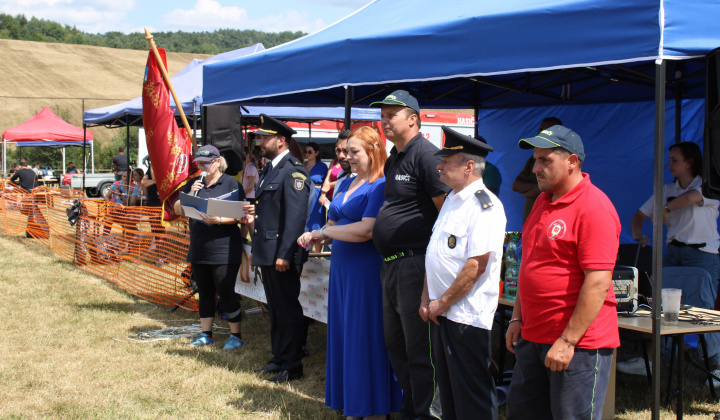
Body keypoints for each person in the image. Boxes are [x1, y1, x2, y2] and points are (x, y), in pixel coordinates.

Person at [505, 125, 621, 420]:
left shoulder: (594, 207)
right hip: (534, 337)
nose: (536, 168)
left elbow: (598, 282)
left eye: (545, 161)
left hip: (577, 344)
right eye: (535, 160)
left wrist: (568, 341)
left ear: (572, 161)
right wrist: (518, 317)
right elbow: (530, 265)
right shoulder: (543, 201)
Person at [298, 126, 402, 420]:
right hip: (342, 271)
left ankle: (373, 408)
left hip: (366, 273)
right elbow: (332, 226)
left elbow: (366, 230)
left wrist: (325, 231)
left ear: (373, 150)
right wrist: (318, 234)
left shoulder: (380, 186)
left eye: (353, 151)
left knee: (364, 337)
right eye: (343, 151)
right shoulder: (344, 184)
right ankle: (353, 404)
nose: (346, 157)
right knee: (346, 336)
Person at [370, 90, 448, 419]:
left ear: (413, 119)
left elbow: (447, 217)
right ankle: (411, 408)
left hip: (415, 263)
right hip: (391, 265)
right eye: (382, 115)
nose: (384, 121)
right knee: (396, 345)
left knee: (419, 349)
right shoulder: (394, 158)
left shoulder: (427, 156)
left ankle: (427, 413)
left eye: (392, 115)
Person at [421, 127, 506, 420]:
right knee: (450, 394)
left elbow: (475, 266)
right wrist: (427, 299)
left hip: (465, 316)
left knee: (473, 396)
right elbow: (435, 255)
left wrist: (441, 303)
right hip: (442, 312)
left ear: (469, 166)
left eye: (447, 160)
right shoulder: (452, 200)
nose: (439, 165)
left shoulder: (485, 206)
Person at [619, 141, 720, 381]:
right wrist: (636, 232)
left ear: (689, 162)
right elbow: (640, 214)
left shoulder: (707, 186)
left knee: (705, 309)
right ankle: (651, 361)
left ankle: (715, 366)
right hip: (673, 253)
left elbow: (692, 198)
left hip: (703, 255)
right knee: (659, 304)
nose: (670, 164)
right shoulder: (666, 189)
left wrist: (666, 210)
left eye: (675, 160)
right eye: (670, 159)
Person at [251, 114, 311, 383]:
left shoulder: (293, 170)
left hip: (281, 253)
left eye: (265, 137)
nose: (260, 142)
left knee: (287, 309)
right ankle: (279, 356)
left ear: (281, 140)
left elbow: (296, 216)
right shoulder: (269, 169)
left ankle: (292, 363)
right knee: (275, 307)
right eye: (260, 137)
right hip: (268, 250)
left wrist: (286, 253)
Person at [173, 145, 249, 350]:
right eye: (199, 163)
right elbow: (177, 209)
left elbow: (240, 215)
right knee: (204, 291)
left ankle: (236, 336)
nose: (202, 167)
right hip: (199, 246)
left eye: (206, 163)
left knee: (225, 290)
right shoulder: (194, 183)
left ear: (217, 162)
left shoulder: (231, 183)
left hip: (224, 246)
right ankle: (206, 334)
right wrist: (190, 193)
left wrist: (219, 220)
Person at [512, 117, 563, 223]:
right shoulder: (532, 159)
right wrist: (542, 189)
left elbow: (558, 189)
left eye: (545, 160)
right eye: (541, 131)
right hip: (530, 221)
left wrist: (534, 190)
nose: (536, 169)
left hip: (549, 223)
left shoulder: (563, 158)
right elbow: (516, 185)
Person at [320, 130, 351, 205]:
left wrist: (329, 185)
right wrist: (323, 194)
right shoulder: (341, 176)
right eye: (338, 150)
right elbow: (327, 178)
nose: (341, 155)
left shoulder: (367, 181)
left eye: (346, 151)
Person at [305, 141, 329, 232]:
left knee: (316, 222)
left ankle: (318, 244)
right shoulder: (302, 165)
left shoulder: (322, 166)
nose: (307, 154)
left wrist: (324, 195)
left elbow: (327, 182)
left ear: (316, 153)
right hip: (304, 194)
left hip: (316, 195)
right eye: (306, 152)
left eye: (310, 152)